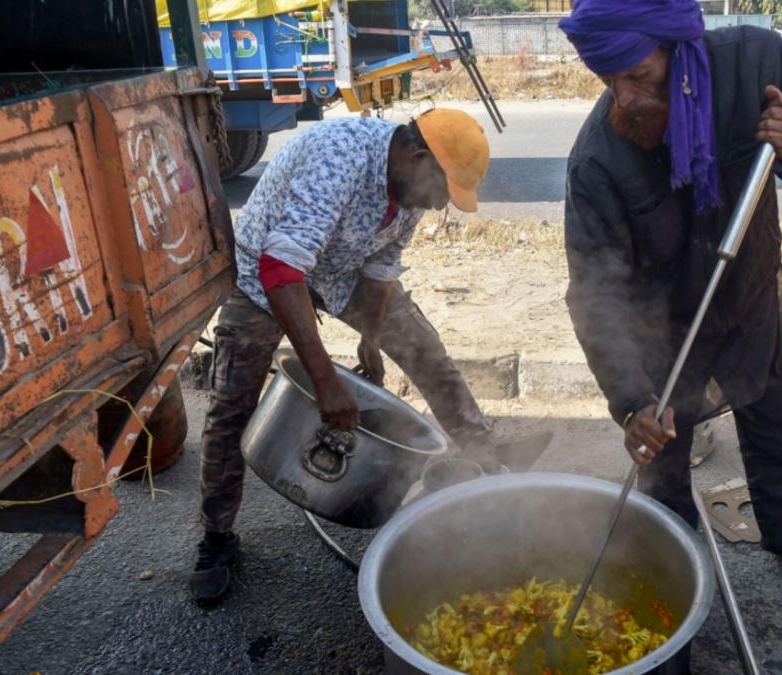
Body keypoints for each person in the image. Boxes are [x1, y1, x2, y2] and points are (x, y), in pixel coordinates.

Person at [558, 0, 782, 629]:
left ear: (674, 48)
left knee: (775, 429)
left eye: (637, 76)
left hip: (747, 300)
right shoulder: (597, 159)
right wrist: (632, 399)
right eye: (609, 79)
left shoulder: (754, 62)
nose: (625, 96)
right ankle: (665, 567)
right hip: (664, 336)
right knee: (662, 465)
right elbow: (593, 291)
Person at [191, 109, 549, 604]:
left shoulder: (412, 183)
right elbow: (281, 269)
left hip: (339, 269)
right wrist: (326, 383)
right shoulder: (338, 156)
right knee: (231, 405)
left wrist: (373, 338)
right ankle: (216, 538)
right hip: (266, 274)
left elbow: (381, 265)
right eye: (442, 191)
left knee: (424, 348)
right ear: (417, 156)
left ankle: (484, 452)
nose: (440, 204)